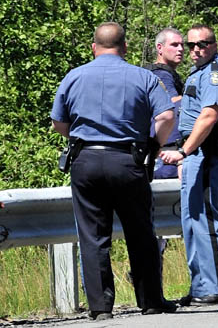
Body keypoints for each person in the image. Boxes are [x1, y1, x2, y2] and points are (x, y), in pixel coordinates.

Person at [50, 22, 177, 320]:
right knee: (141, 231)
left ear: (93, 47)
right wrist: (153, 143)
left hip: (86, 161)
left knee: (93, 236)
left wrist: (81, 138)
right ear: (126, 48)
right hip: (127, 160)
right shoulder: (143, 77)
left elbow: (58, 123)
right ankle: (151, 301)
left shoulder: (74, 76)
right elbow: (167, 115)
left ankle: (100, 307)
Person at [160, 24, 218, 305]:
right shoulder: (199, 72)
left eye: (202, 44)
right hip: (198, 153)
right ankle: (202, 285)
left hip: (208, 152)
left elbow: (209, 116)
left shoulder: (216, 75)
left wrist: (183, 150)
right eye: (191, 45)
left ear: (214, 45)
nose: (195, 49)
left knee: (205, 217)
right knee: (192, 218)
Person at [145, 28, 185, 180]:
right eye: (174, 45)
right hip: (164, 155)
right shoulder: (159, 74)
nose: (180, 49)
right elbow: (174, 105)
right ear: (159, 48)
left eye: (182, 45)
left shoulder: (166, 73)